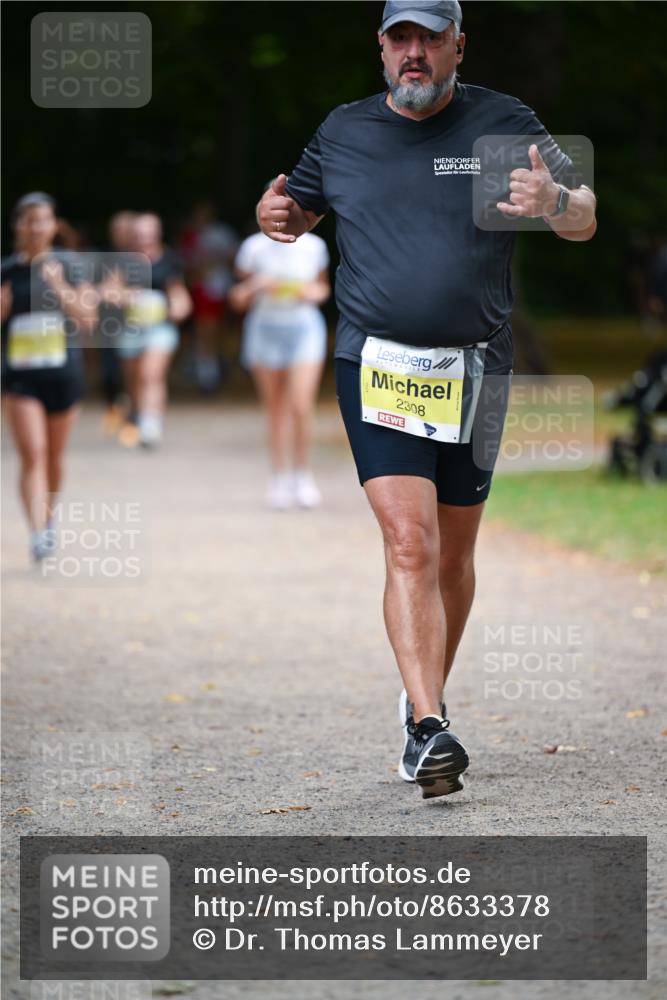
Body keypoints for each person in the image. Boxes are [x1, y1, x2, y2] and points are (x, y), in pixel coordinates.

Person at [256, 0, 597, 798]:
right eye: (399, 38)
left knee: (453, 552)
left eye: (429, 39)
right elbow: (295, 210)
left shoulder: (502, 121)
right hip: (375, 364)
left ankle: (421, 695)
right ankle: (424, 724)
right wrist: (276, 215)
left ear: (456, 47)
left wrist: (553, 203)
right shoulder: (342, 130)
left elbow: (583, 217)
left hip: (479, 366)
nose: (414, 53)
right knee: (408, 542)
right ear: (380, 47)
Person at [1, 192, 97, 561]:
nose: (35, 227)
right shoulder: (6, 270)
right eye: (28, 220)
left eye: (42, 219)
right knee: (32, 454)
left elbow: (88, 320)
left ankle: (50, 516)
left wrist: (57, 285)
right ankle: (37, 532)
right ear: (18, 227)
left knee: (55, 456)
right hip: (20, 376)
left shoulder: (70, 266)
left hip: (63, 374)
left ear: (54, 225)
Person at [229, 224, 330, 508]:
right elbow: (237, 299)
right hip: (265, 330)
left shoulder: (314, 246)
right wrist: (257, 285)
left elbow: (322, 289)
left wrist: (308, 293)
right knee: (275, 407)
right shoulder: (252, 247)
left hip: (303, 329)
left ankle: (303, 474)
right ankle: (279, 477)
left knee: (301, 404)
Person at [113, 212, 191, 448]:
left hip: (160, 328)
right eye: (140, 235)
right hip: (131, 328)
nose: (145, 239)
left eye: (149, 234)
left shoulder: (170, 260)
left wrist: (179, 307)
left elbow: (178, 294)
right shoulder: (122, 261)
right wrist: (124, 296)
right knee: (134, 379)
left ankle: (151, 425)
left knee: (151, 374)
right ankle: (136, 413)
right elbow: (108, 291)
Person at [179, 202, 239, 392]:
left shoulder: (221, 233)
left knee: (219, 331)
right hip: (202, 289)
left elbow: (234, 258)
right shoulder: (191, 235)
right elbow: (186, 264)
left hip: (222, 287)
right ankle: (208, 375)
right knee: (206, 331)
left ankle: (216, 367)